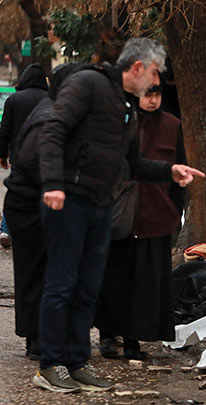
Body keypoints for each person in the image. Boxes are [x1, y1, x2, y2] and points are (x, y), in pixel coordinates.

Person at [34, 38, 205, 393]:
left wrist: (168, 171)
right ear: (138, 67)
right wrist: (52, 183)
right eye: (156, 71)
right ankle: (51, 364)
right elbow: (53, 130)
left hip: (100, 203)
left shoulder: (126, 104)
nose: (157, 80)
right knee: (62, 283)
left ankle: (77, 362)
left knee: (87, 287)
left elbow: (129, 163)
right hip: (67, 200)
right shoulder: (89, 84)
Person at [94, 84, 186, 359]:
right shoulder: (118, 122)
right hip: (119, 216)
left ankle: (133, 338)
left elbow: (178, 172)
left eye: (157, 95)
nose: (152, 100)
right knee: (112, 278)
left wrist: (174, 209)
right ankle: (107, 335)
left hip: (154, 215)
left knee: (142, 283)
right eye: (147, 94)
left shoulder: (172, 125)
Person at [3, 63, 78, 362]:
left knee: (34, 273)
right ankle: (44, 338)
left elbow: (5, 131)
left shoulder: (21, 102)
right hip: (40, 201)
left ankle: (37, 337)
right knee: (46, 272)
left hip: (32, 201)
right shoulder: (53, 115)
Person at [0, 63, 48, 248]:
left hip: (20, 155)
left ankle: (6, 229)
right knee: (43, 191)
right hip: (46, 155)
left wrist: (2, 154)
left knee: (15, 191)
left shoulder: (14, 100)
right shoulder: (50, 99)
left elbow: (5, 130)